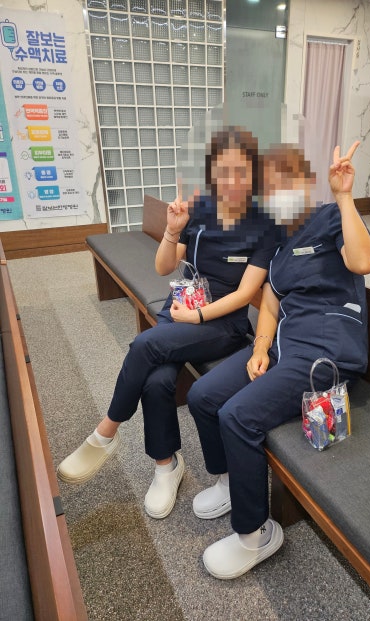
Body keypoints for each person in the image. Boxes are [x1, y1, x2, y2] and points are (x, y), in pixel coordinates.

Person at [57, 127, 279, 520]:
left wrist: (196, 316)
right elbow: (163, 267)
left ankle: (105, 432)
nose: (231, 181)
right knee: (157, 380)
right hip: (180, 307)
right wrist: (173, 230)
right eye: (222, 171)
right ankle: (166, 466)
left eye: (241, 171)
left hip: (221, 324)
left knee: (146, 345)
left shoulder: (264, 225)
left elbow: (247, 294)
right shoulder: (200, 211)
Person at [187, 141, 370, 579]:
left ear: (306, 182)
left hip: (325, 353)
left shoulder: (331, 217)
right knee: (202, 395)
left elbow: (364, 261)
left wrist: (345, 196)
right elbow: (270, 304)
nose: (278, 193)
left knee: (238, 416)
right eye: (268, 188)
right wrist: (259, 349)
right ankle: (229, 481)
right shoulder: (277, 240)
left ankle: (255, 534)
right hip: (281, 348)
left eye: (286, 181)